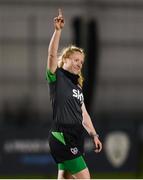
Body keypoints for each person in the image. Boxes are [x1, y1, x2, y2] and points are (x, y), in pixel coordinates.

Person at [46, 9, 102, 179]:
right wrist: (58, 31)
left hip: (75, 137)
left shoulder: (76, 86)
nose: (80, 64)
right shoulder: (57, 77)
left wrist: (94, 134)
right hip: (62, 137)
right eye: (76, 60)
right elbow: (51, 55)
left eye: (82, 62)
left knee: (64, 178)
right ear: (66, 59)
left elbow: (83, 114)